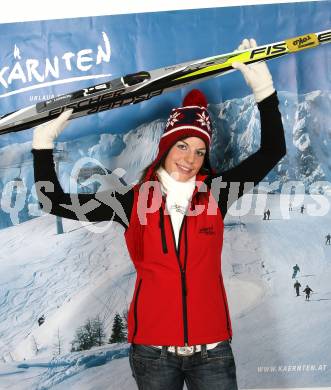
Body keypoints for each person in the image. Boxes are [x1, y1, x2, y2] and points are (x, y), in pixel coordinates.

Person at [31, 38, 286, 390]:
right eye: (182, 145)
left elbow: (274, 150)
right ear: (166, 147)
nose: (189, 157)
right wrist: (41, 145)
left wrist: (265, 92)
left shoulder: (216, 193)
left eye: (199, 150)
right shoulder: (130, 202)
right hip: (153, 353)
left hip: (212, 351)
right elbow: (52, 201)